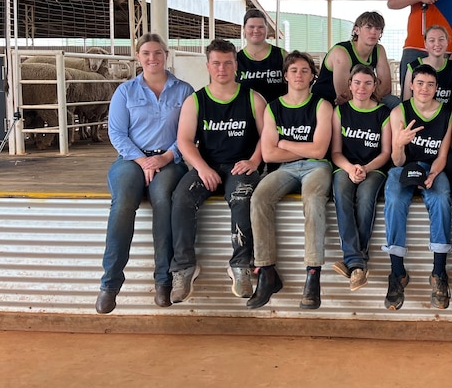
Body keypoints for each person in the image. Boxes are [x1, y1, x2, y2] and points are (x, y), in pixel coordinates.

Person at [96, 33, 194, 314]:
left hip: (169, 159)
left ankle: (163, 281)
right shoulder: (125, 91)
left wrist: (165, 157)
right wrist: (142, 161)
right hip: (131, 159)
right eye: (146, 53)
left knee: (163, 200)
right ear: (138, 57)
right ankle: (110, 283)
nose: (153, 58)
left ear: (166, 55)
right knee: (124, 201)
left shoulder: (184, 90)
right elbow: (116, 132)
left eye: (158, 53)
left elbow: (188, 132)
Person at [169, 39, 266, 304]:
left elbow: (266, 136)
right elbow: (184, 141)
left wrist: (255, 161)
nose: (222, 68)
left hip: (240, 166)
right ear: (208, 66)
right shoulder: (196, 100)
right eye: (216, 63)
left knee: (242, 197)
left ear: (236, 65)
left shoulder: (253, 98)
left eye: (227, 63)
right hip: (208, 165)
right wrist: (201, 168)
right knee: (181, 199)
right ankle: (184, 267)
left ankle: (240, 265)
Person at [246, 51, 334, 310]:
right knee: (260, 197)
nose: (299, 75)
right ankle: (266, 271)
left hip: (317, 167)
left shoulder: (322, 105)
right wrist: (300, 146)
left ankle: (313, 273)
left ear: (312, 76)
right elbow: (269, 153)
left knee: (313, 198)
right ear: (285, 75)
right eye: (294, 70)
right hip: (285, 168)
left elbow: (319, 151)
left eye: (305, 70)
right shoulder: (273, 108)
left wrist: (284, 141)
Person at [382, 64, 452, 311]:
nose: (425, 88)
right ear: (411, 85)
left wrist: (434, 173)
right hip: (404, 167)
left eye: (430, 84)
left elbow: (442, 155)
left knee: (442, 198)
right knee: (393, 200)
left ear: (437, 88)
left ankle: (438, 273)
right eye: (420, 83)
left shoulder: (447, 113)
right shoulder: (399, 112)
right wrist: (400, 144)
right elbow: (397, 161)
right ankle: (397, 272)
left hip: (432, 167)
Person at [330, 65, 392, 292]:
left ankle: (354, 260)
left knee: (366, 197)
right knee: (342, 194)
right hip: (345, 166)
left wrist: (365, 168)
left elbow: (386, 152)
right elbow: (335, 152)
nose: (361, 87)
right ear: (349, 85)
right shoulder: (340, 111)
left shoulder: (383, 113)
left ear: (375, 85)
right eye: (357, 82)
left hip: (374, 168)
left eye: (367, 83)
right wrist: (350, 168)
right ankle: (358, 263)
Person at [312, 11, 398, 108]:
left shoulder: (379, 50)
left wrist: (369, 100)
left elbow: (386, 88)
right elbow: (344, 94)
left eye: (377, 28)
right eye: (368, 27)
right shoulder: (341, 51)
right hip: (327, 101)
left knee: (393, 101)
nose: (373, 32)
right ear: (357, 30)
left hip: (363, 97)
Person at [402, 24, 452, 106]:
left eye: (441, 39)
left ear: (447, 42)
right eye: (432, 40)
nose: (437, 44)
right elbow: (406, 103)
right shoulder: (413, 67)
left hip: (447, 118)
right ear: (425, 44)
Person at [236, 9, 287, 103]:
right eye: (251, 27)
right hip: (248, 115)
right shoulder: (236, 59)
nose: (256, 30)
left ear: (266, 29)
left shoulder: (282, 55)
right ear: (244, 29)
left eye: (260, 27)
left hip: (278, 114)